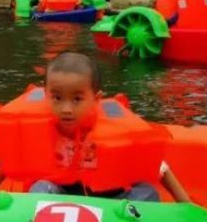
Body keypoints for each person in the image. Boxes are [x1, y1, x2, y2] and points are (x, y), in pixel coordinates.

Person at [17, 52, 187, 202]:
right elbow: (1, 164)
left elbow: (160, 167)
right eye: (57, 98)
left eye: (77, 99)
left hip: (112, 203)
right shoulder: (39, 128)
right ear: (46, 94)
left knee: (147, 193)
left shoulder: (117, 128)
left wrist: (188, 206)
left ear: (96, 98)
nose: (66, 109)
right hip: (63, 200)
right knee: (40, 189)